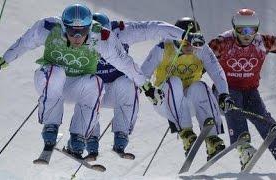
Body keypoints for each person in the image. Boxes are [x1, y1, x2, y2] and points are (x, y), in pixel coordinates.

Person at [0, 4, 163, 159]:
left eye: (82, 31)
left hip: (76, 86)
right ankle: (51, 126)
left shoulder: (100, 37)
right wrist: (3, 60)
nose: (77, 37)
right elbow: (24, 43)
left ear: (89, 28)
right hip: (51, 81)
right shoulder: (48, 28)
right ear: (64, 27)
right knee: (56, 73)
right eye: (72, 31)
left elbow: (125, 63)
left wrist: (146, 86)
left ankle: (78, 137)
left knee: (96, 83)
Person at [209, 8, 276, 172]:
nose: (247, 34)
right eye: (241, 30)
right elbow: (201, 58)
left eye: (251, 30)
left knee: (264, 119)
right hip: (225, 91)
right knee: (234, 104)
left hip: (250, 90)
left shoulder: (262, 42)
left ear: (257, 29)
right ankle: (244, 148)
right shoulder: (222, 42)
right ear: (234, 28)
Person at [84, 13, 206, 160]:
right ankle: (88, 141)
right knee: (90, 86)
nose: (102, 39)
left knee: (129, 83)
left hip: (117, 88)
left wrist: (185, 36)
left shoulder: (122, 31)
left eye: (105, 35)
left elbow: (153, 28)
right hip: (94, 87)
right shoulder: (79, 36)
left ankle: (121, 138)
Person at [141, 17, 234, 161]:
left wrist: (224, 94)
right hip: (164, 101)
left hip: (189, 103)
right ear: (177, 37)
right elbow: (142, 74)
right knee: (174, 81)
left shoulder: (201, 49)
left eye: (194, 40)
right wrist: (149, 90)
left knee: (200, 86)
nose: (191, 46)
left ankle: (212, 139)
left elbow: (216, 71)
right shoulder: (162, 48)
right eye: (186, 41)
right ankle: (186, 133)